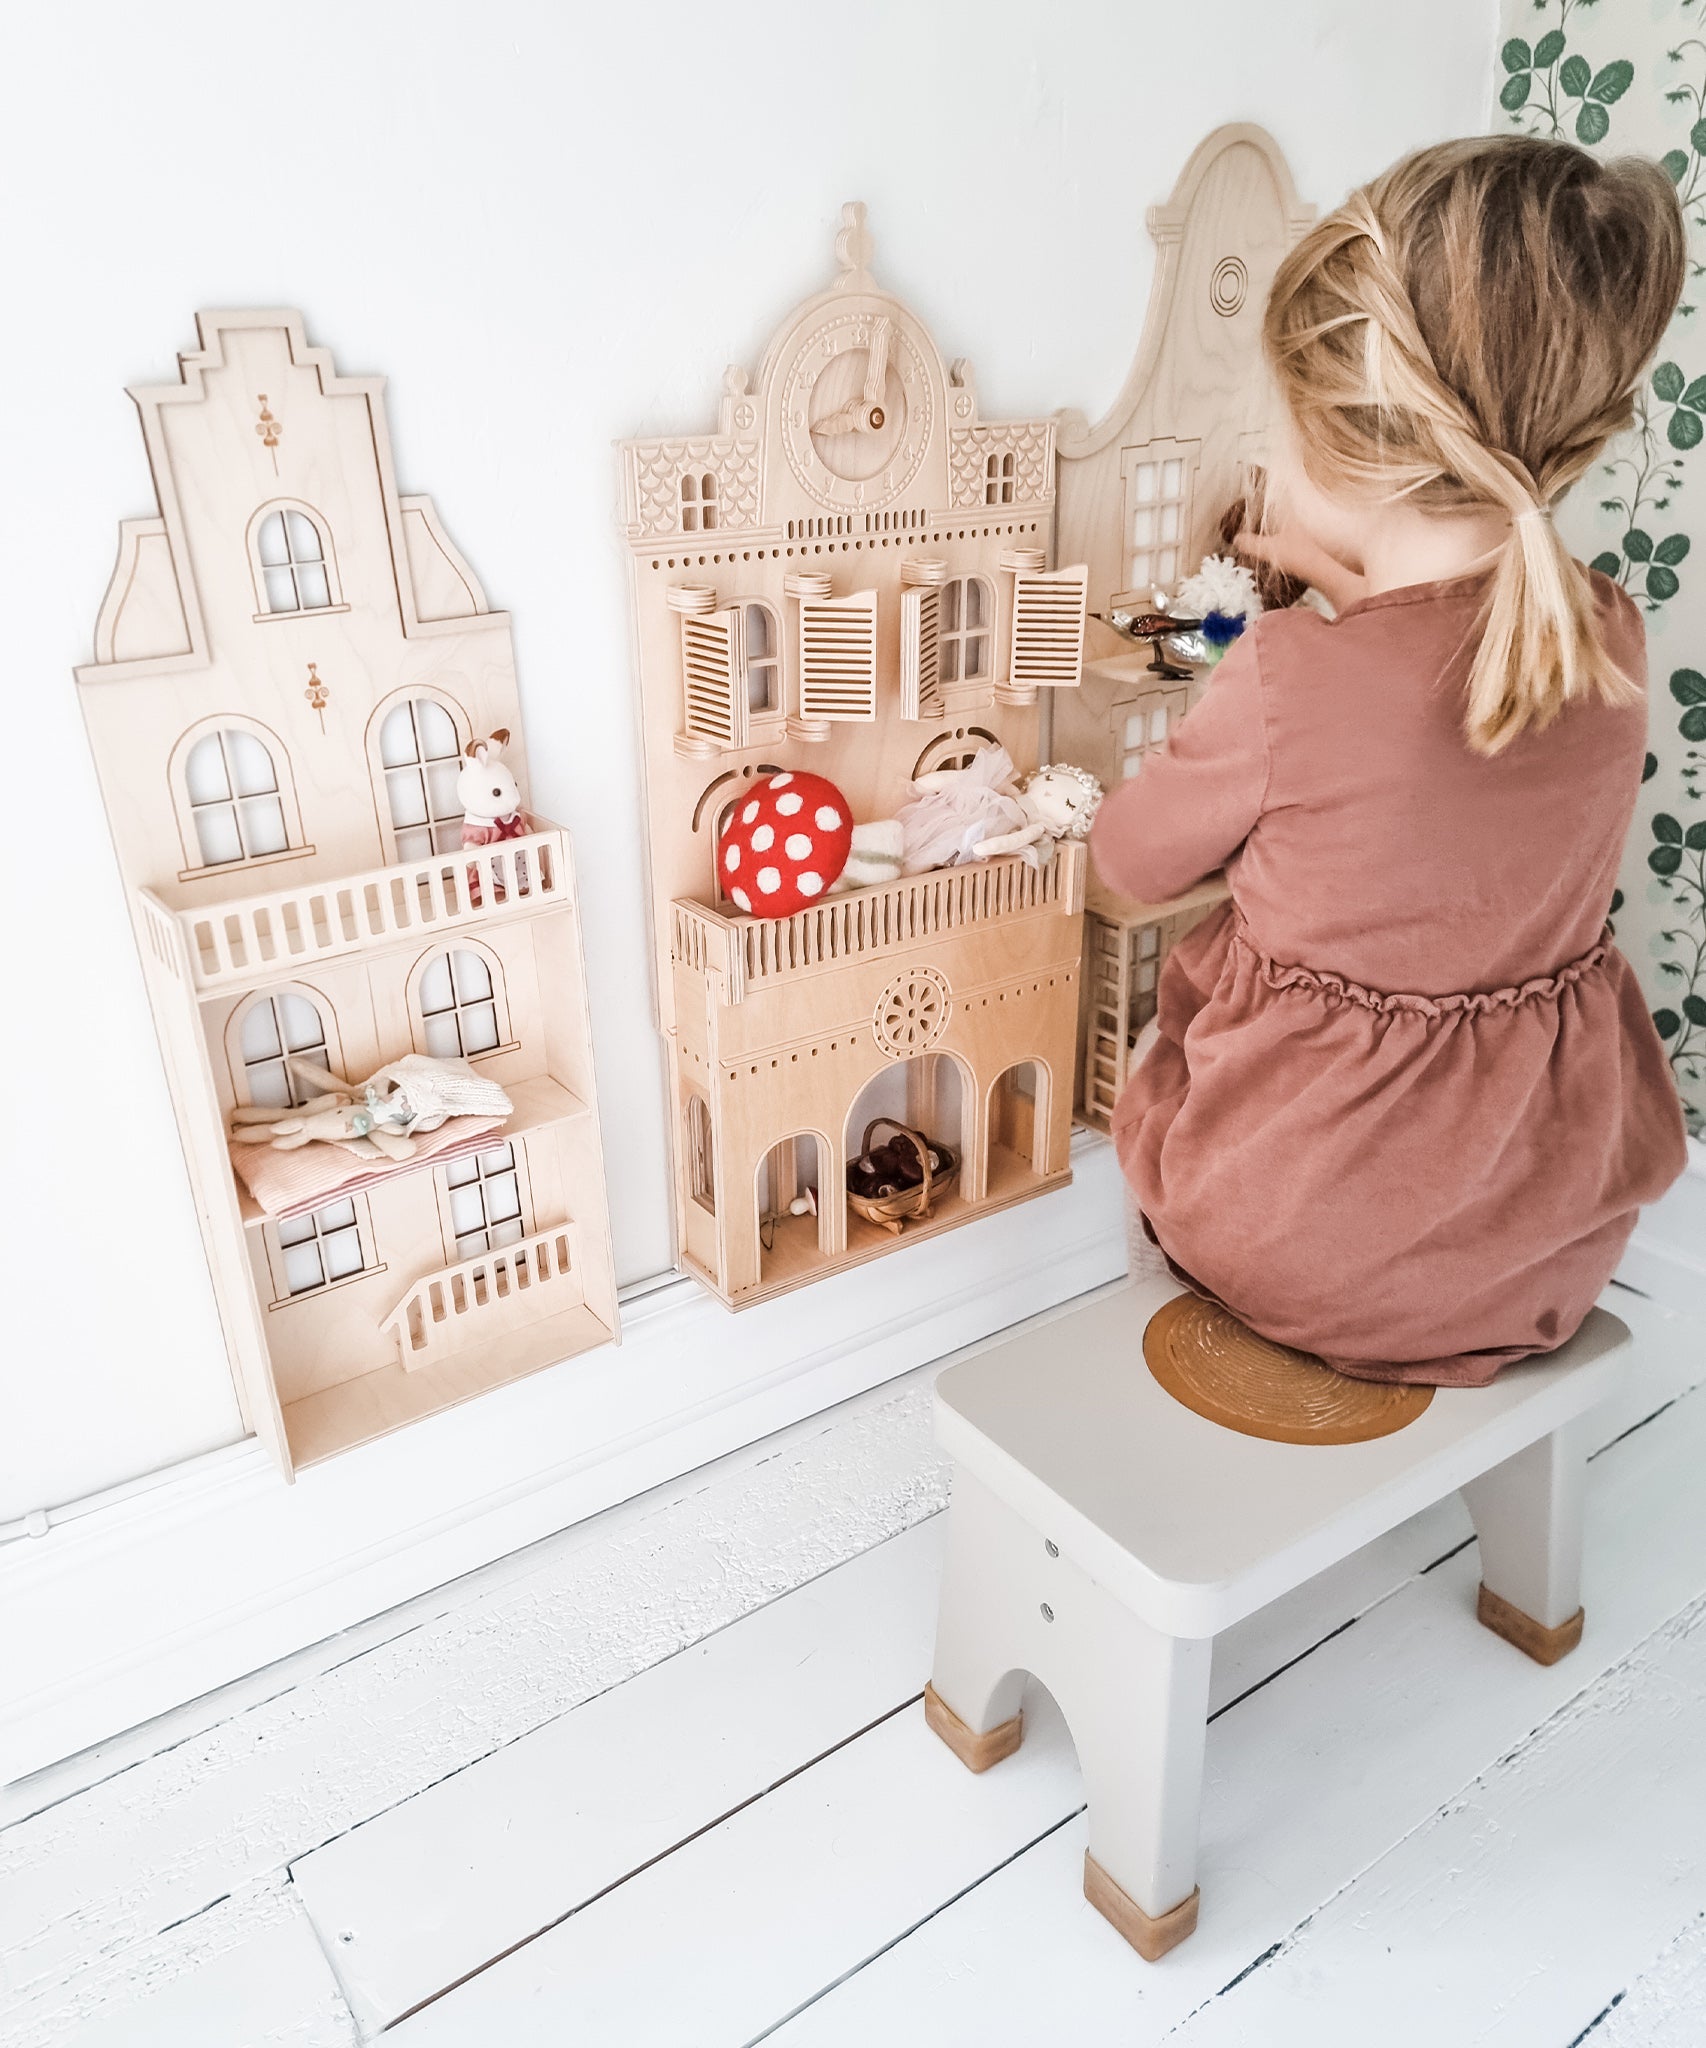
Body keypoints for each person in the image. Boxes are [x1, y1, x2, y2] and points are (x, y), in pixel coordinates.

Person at [1090, 134, 1690, 1386]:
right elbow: (1441, 686)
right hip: (1542, 1248)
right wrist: (1341, 588)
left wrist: (1272, 657)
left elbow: (1128, 865)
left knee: (1153, 1066)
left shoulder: (1283, 677)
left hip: (1289, 1244)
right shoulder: (1611, 636)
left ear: (1332, 449)